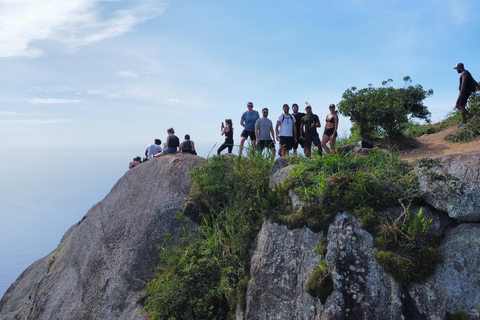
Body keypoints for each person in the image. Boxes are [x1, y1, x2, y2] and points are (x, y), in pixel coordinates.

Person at [454, 63, 480, 128]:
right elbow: (473, 80)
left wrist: (462, 92)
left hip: (465, 92)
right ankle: (470, 115)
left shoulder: (464, 73)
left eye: (457, 68)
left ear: (460, 67)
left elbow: (463, 82)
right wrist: (478, 87)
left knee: (461, 106)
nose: (457, 70)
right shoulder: (466, 72)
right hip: (464, 92)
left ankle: (464, 122)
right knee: (457, 106)